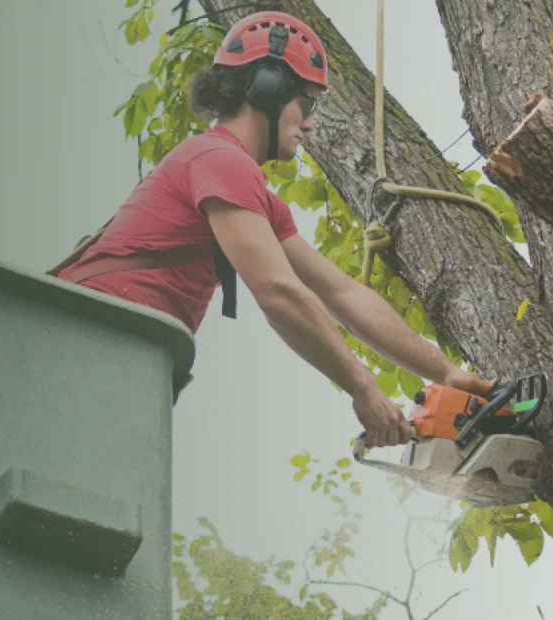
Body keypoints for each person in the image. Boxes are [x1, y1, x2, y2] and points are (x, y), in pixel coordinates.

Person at [49, 11, 493, 448]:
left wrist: (446, 373)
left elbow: (343, 294)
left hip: (117, 349)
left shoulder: (250, 195)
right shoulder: (219, 160)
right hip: (78, 339)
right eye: (306, 104)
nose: (310, 123)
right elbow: (279, 294)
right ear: (267, 88)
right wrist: (363, 388)